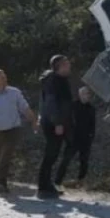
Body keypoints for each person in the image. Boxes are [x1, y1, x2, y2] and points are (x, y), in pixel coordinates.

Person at [0, 69, 38, 195]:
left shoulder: (14, 93)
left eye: (5, 77)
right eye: (2, 78)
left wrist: (33, 121)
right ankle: (0, 185)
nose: (5, 79)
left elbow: (24, 108)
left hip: (12, 130)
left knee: (5, 157)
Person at [37, 55, 73, 198]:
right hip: (53, 124)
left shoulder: (59, 80)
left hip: (55, 122)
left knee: (53, 154)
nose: (69, 66)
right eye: (67, 64)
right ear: (60, 66)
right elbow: (51, 104)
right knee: (50, 154)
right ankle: (43, 187)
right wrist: (57, 123)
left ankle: (47, 185)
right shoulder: (53, 81)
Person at [56, 86, 96, 187]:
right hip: (72, 139)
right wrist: (67, 136)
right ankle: (57, 182)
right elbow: (65, 120)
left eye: (88, 94)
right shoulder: (73, 106)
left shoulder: (91, 108)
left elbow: (93, 125)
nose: (87, 96)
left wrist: (91, 137)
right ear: (80, 95)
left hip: (85, 139)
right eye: (85, 93)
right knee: (66, 160)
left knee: (84, 161)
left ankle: (80, 180)